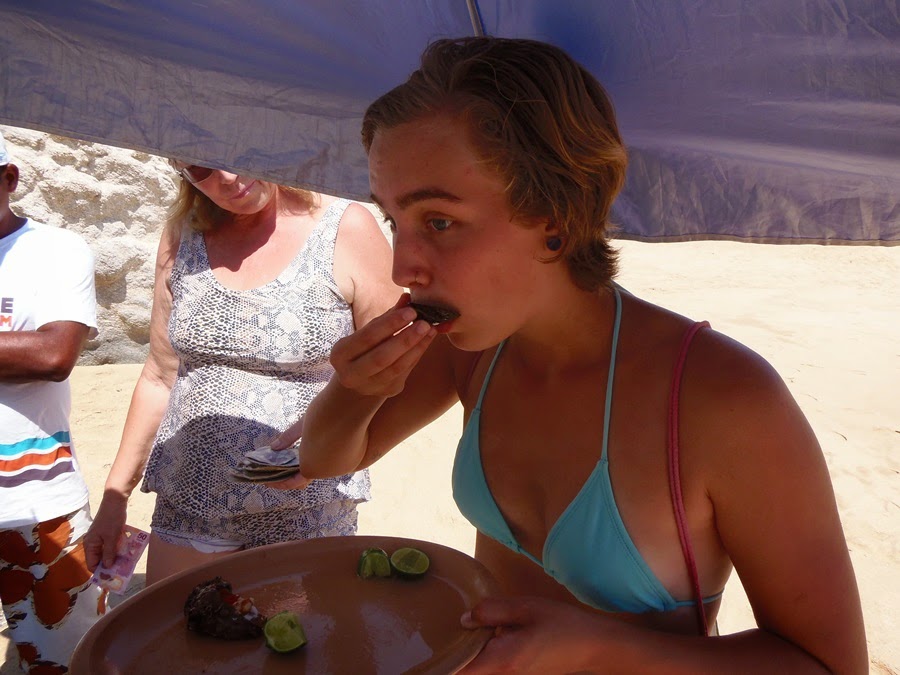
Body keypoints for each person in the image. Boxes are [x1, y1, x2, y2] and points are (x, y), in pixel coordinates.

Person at [275, 38, 868, 673]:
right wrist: (357, 389)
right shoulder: (474, 349)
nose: (402, 269)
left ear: (556, 220)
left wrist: (597, 646)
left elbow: (830, 664)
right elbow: (327, 459)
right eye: (396, 222)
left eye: (439, 221)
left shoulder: (722, 399)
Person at [83, 159, 399, 585]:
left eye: (238, 157)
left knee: (295, 628)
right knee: (181, 624)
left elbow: (395, 365)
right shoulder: (183, 234)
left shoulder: (346, 227)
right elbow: (160, 376)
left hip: (307, 505)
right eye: (201, 168)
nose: (229, 178)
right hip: (190, 498)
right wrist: (114, 498)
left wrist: (329, 449)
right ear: (178, 168)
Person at [0, 130, 106, 672]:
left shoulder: (55, 250)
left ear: (9, 179)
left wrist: (33, 350)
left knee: (69, 659)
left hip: (34, 499)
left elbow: (52, 355)